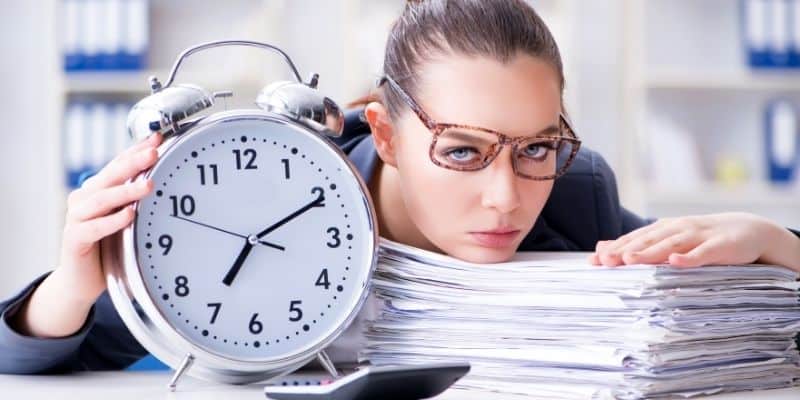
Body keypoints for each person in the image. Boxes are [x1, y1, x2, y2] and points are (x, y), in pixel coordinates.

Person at [1, 0, 798, 374]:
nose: (506, 198)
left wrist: (772, 241)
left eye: (536, 148)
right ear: (383, 131)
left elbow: (673, 295)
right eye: (461, 150)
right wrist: (70, 283)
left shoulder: (574, 191)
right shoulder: (261, 200)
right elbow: (32, 358)